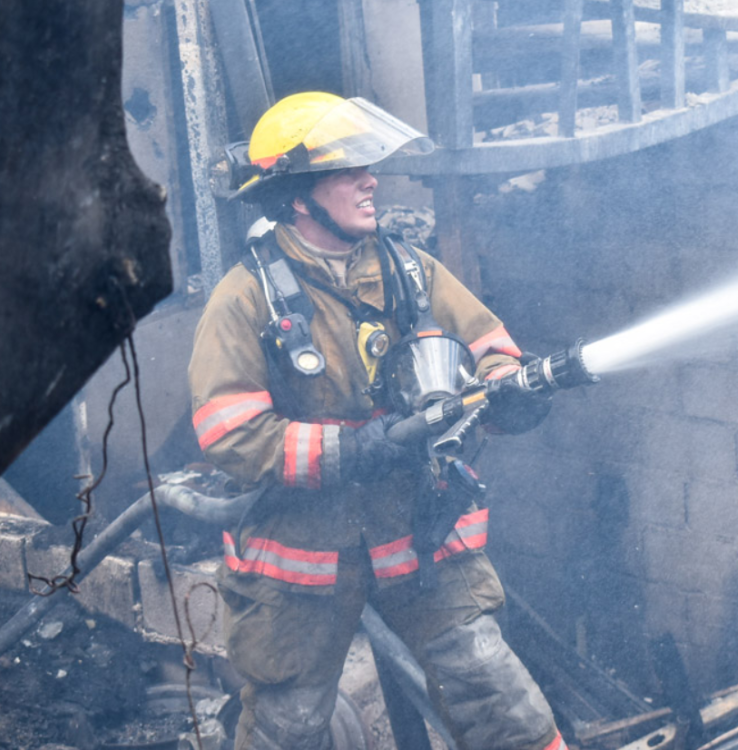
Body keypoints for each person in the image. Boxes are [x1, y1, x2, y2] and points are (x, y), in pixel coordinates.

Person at [188, 92, 564, 750]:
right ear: (299, 197)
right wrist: (347, 451)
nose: (371, 181)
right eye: (347, 171)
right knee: (290, 726)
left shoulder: (411, 273)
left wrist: (511, 391)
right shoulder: (244, 298)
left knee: (503, 707)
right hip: (302, 561)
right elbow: (229, 432)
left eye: (369, 168)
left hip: (416, 536)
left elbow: (491, 352)